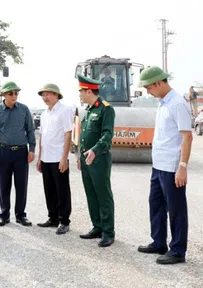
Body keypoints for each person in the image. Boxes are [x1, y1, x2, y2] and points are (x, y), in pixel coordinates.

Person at [137, 66, 193, 264]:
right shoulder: (163, 103)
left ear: (159, 83)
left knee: (176, 209)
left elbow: (186, 137)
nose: (148, 92)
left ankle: (177, 250)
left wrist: (182, 166)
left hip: (172, 167)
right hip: (158, 165)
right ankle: (158, 242)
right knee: (156, 205)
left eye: (149, 87)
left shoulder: (178, 103)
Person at [0, 81, 36, 227]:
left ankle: (21, 215)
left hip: (21, 152)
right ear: (3, 94)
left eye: (16, 93)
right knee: (4, 185)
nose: (14, 95)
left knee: (21, 185)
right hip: (4, 152)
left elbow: (30, 130)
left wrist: (32, 149)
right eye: (10, 93)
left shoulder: (24, 110)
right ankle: (4, 215)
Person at [76, 74, 115, 247]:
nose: (79, 95)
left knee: (103, 195)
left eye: (80, 91)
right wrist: (80, 156)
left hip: (99, 159)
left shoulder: (106, 109)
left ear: (88, 91)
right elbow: (83, 136)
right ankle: (97, 226)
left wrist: (95, 150)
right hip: (86, 160)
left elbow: (107, 134)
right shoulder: (90, 110)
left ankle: (108, 231)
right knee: (91, 194)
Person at [36, 83, 73, 235]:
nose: (45, 97)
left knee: (62, 190)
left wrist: (64, 158)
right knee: (49, 189)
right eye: (43, 95)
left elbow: (68, 134)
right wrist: (39, 158)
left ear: (56, 95)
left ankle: (64, 221)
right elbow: (42, 136)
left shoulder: (64, 111)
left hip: (59, 157)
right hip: (46, 157)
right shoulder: (44, 113)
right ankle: (53, 218)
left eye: (48, 94)